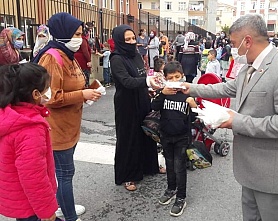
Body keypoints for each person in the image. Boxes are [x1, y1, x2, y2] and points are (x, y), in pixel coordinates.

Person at [182, 14, 278, 221]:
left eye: (234, 43)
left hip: (274, 175)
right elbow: (224, 88)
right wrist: (189, 88)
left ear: (247, 41)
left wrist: (235, 121)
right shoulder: (249, 67)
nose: (233, 49)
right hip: (250, 172)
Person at [33, 12, 102, 221]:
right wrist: (82, 94)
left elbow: (74, 84)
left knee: (64, 172)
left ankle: (63, 205)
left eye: (81, 34)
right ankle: (69, 215)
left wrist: (88, 92)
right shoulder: (52, 57)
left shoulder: (67, 55)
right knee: (64, 173)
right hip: (57, 128)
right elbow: (50, 97)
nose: (80, 38)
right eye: (76, 34)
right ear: (62, 33)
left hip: (69, 124)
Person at [0, 63, 61, 221]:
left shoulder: (10, 115)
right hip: (31, 204)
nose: (49, 91)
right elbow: (33, 176)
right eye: (47, 87)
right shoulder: (30, 128)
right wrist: (47, 210)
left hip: (18, 198)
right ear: (35, 94)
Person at [110, 24, 161, 191]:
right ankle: (128, 175)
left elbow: (141, 76)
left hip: (142, 99)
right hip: (127, 104)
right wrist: (147, 82)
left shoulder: (136, 54)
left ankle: (149, 166)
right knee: (129, 138)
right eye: (128, 39)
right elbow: (126, 81)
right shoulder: (116, 58)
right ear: (119, 41)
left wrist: (148, 90)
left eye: (133, 38)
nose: (132, 42)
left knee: (147, 133)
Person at [151, 61, 197, 217]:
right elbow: (154, 107)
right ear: (165, 78)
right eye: (171, 77)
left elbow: (196, 116)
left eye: (177, 77)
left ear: (182, 76)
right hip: (166, 134)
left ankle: (181, 197)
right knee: (169, 164)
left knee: (180, 166)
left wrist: (193, 105)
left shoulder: (187, 93)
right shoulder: (164, 92)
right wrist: (163, 93)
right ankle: (171, 189)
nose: (175, 80)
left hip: (182, 136)